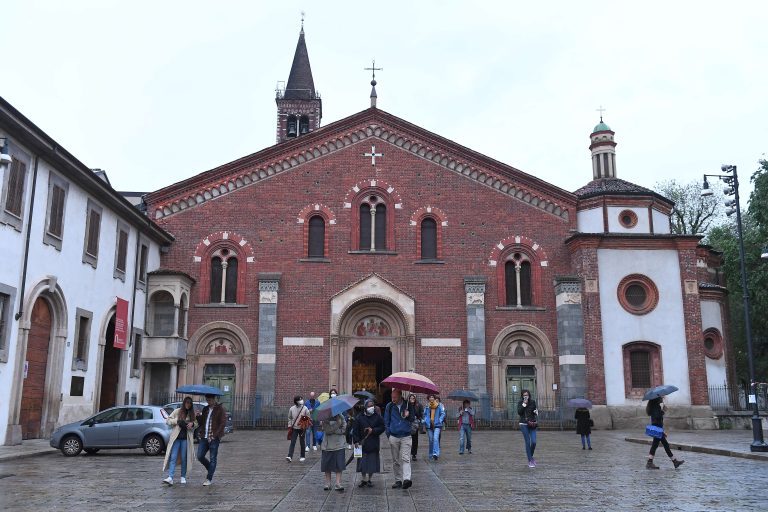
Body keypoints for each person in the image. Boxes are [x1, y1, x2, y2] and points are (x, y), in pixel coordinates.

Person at [384, 389, 416, 489]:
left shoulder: (408, 405)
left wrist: (408, 415)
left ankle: (406, 479)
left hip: (406, 435)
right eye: (392, 397)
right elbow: (386, 421)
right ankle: (398, 480)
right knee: (395, 460)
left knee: (406, 458)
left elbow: (412, 418)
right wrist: (389, 434)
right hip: (394, 436)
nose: (393, 399)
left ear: (400, 396)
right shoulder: (389, 406)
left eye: (395, 397)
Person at [162, 396, 197, 486]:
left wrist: (192, 424)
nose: (188, 405)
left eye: (189, 403)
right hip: (176, 438)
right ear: (184, 403)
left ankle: (183, 477)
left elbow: (196, 423)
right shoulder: (177, 411)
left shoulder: (191, 414)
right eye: (187, 403)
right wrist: (177, 421)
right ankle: (170, 477)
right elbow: (168, 420)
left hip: (186, 439)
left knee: (184, 458)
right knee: (173, 457)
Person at [646, 396, 684, 469]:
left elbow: (657, 417)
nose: (662, 399)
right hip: (657, 429)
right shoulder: (656, 407)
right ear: (657, 399)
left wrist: (663, 409)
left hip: (658, 428)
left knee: (657, 445)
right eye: (661, 398)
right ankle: (674, 462)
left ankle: (650, 462)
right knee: (662, 445)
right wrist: (662, 410)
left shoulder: (654, 406)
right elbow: (657, 417)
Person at [354, 398, 385, 487]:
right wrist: (355, 441)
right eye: (369, 406)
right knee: (362, 462)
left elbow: (382, 427)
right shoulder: (359, 417)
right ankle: (363, 478)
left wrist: (373, 430)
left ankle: (369, 479)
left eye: (372, 406)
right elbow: (355, 430)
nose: (371, 407)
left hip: (373, 443)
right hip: (361, 443)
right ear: (365, 407)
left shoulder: (377, 416)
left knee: (372, 463)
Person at [197, 393, 227, 486]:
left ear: (214, 399)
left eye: (209, 400)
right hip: (204, 437)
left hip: (214, 438)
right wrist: (198, 416)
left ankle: (208, 479)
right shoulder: (205, 409)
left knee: (213, 458)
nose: (208, 402)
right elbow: (202, 422)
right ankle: (211, 468)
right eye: (207, 400)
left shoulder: (220, 409)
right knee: (200, 456)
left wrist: (215, 435)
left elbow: (222, 423)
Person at [321, 412, 347, 492]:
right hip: (328, 445)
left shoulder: (341, 416)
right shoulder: (325, 418)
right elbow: (328, 430)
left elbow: (343, 429)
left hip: (339, 444)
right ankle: (328, 483)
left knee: (339, 464)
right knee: (327, 464)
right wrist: (338, 425)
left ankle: (338, 483)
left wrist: (335, 429)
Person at [517, 389, 538, 468]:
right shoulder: (520, 403)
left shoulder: (532, 402)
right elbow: (519, 412)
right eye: (524, 395)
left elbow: (534, 411)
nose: (526, 397)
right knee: (527, 442)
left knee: (534, 442)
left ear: (529, 395)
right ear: (522, 396)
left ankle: (530, 457)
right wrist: (524, 404)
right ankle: (530, 461)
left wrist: (536, 412)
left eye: (527, 395)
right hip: (523, 424)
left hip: (532, 423)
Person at [286, 395, 310, 462]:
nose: (301, 400)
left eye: (301, 399)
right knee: (292, 442)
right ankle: (289, 456)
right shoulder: (291, 408)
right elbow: (289, 418)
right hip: (294, 428)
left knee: (302, 442)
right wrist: (290, 425)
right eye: (299, 399)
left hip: (302, 428)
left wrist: (304, 422)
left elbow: (308, 417)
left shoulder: (305, 408)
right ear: (296, 401)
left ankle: (302, 456)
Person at [423, 394, 445, 460]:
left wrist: (440, 420)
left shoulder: (439, 405)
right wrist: (424, 421)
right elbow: (424, 415)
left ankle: (435, 453)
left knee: (435, 438)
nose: (431, 398)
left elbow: (443, 413)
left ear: (434, 398)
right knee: (431, 440)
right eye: (430, 397)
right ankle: (430, 454)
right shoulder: (427, 406)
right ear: (428, 399)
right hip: (429, 425)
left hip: (437, 425)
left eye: (432, 397)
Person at [408, 394, 422, 461]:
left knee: (415, 440)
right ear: (409, 399)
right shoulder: (407, 406)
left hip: (415, 424)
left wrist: (418, 418)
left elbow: (421, 413)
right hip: (408, 424)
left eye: (413, 398)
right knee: (407, 440)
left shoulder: (418, 405)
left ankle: (414, 454)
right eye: (411, 398)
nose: (412, 399)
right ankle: (408, 453)